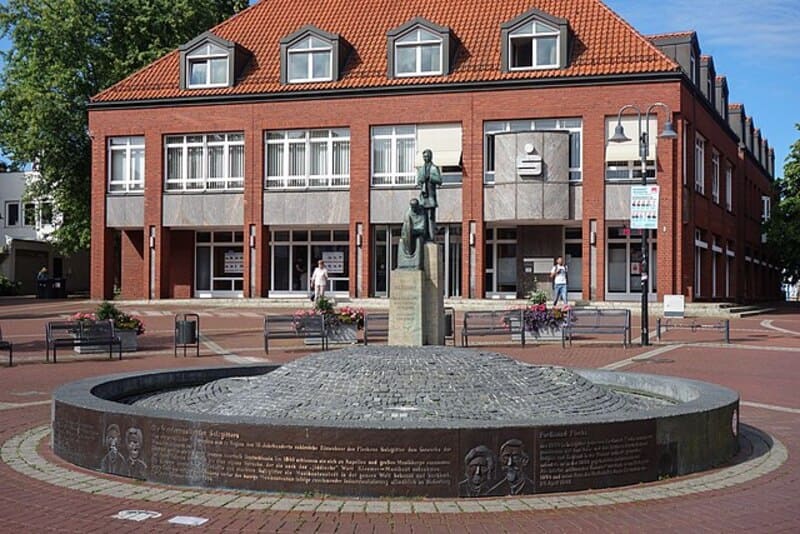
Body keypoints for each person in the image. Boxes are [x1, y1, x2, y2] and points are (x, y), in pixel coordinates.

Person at [416, 148, 442, 241]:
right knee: (423, 217)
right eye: (424, 156)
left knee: (431, 217)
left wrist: (430, 178)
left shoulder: (434, 168)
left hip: (431, 196)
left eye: (427, 156)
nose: (425, 158)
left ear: (431, 156)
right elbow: (418, 181)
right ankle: (425, 236)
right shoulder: (421, 169)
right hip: (424, 196)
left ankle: (431, 236)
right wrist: (420, 182)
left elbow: (439, 180)